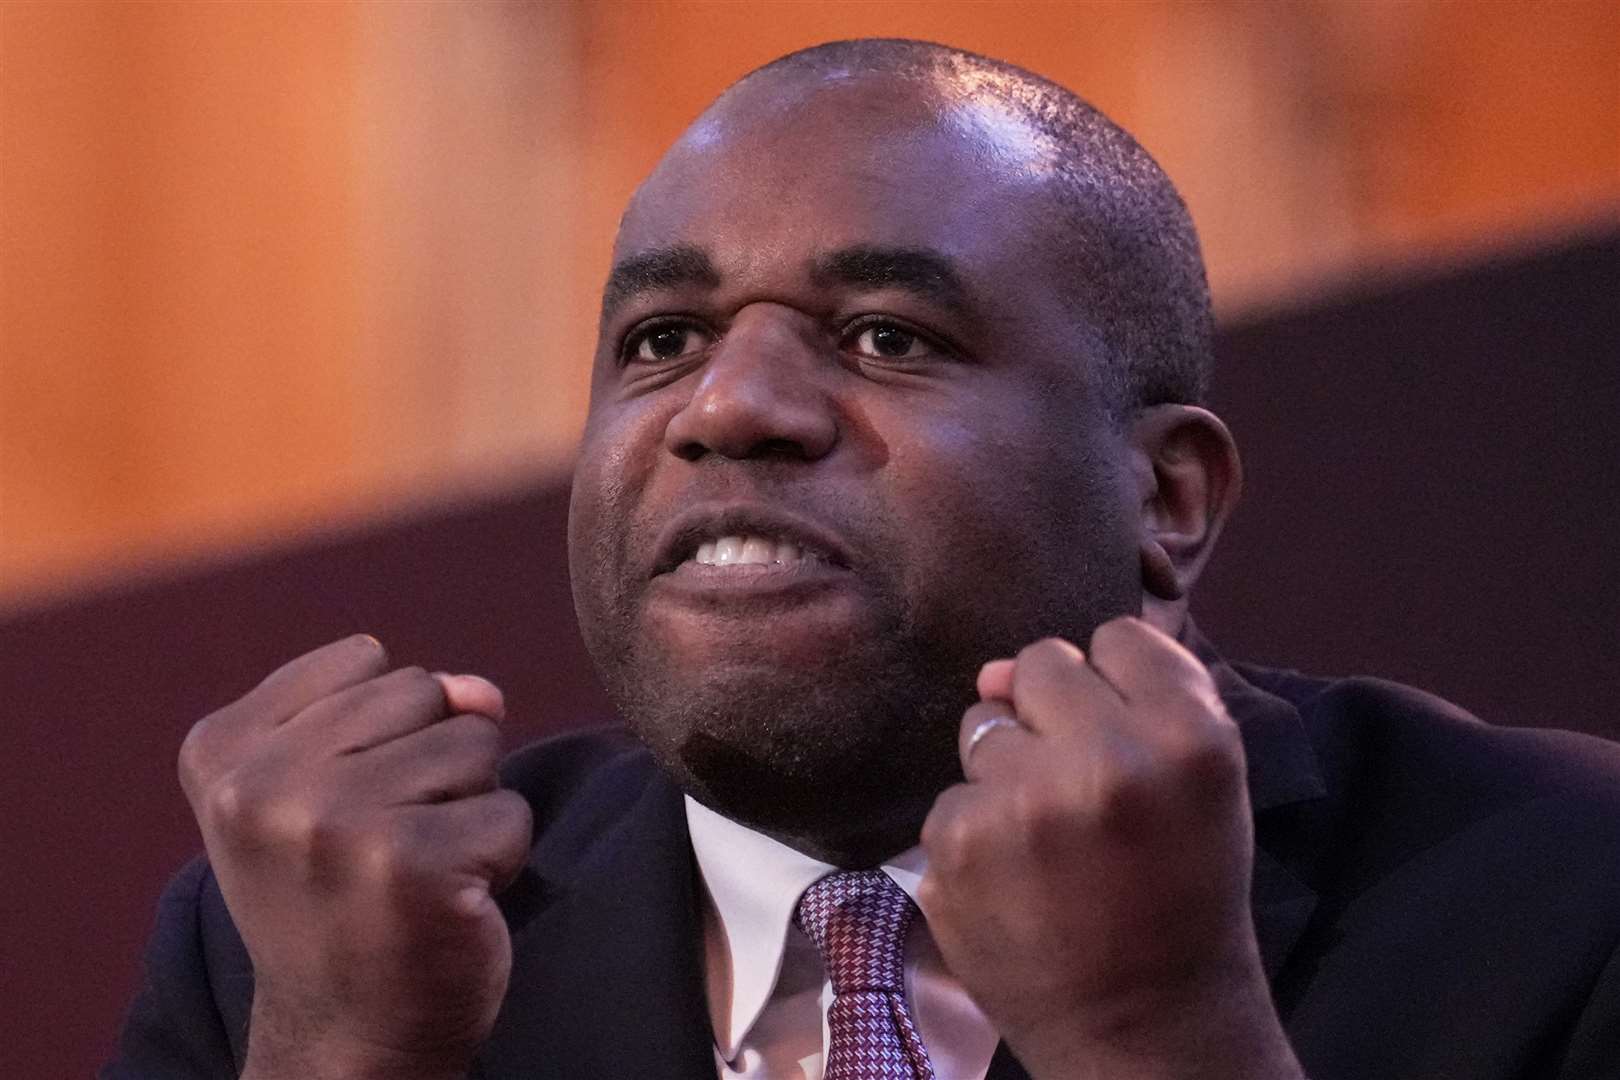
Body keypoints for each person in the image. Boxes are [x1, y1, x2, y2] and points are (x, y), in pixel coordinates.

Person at [107, 39, 1620, 1080]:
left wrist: (1156, 1034)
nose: (731, 407)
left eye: (887, 337)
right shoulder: (297, 944)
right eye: (662, 339)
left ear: (1166, 494)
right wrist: (343, 1056)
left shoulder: (1561, 896)